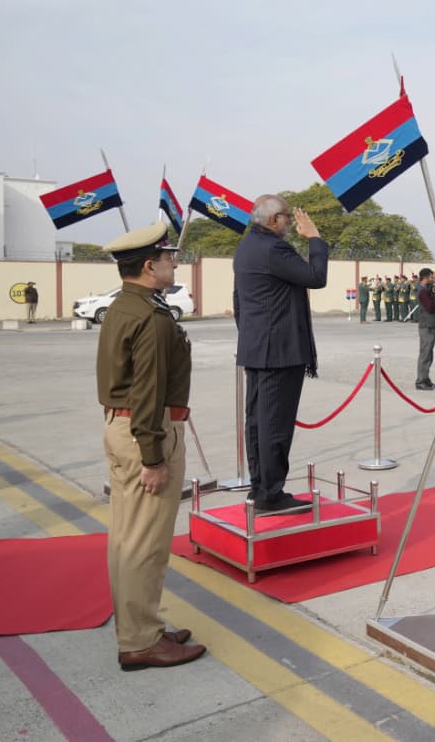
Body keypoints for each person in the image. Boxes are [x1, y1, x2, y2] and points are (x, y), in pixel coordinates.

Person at [97, 220, 206, 671]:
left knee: (127, 538)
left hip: (124, 427)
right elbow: (147, 392)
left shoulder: (126, 305)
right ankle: (140, 641)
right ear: (148, 266)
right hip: (146, 430)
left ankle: (140, 626)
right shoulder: (150, 318)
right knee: (144, 542)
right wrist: (154, 456)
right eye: (167, 258)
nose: (173, 263)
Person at [233, 195, 327, 514]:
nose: (290, 222)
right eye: (287, 217)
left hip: (257, 347)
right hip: (280, 351)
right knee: (275, 424)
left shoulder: (246, 247)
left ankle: (260, 485)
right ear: (273, 220)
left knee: (257, 422)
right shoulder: (274, 249)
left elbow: (239, 302)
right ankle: (271, 495)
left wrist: (252, 336)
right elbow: (316, 277)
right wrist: (314, 237)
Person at [414, 268, 435, 389]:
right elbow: (430, 307)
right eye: (431, 277)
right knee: (425, 353)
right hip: (426, 325)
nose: (433, 279)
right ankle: (420, 381)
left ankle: (426, 378)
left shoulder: (426, 290)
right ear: (425, 277)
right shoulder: (423, 291)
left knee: (429, 353)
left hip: (431, 324)